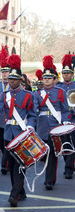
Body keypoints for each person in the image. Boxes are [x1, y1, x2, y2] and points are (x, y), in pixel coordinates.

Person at [0, 54, 37, 207]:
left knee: (20, 164)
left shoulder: (28, 95)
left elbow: (32, 115)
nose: (11, 82)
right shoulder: (4, 96)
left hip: (22, 134)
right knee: (11, 164)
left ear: (20, 81)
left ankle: (14, 194)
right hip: (9, 133)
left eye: (14, 80)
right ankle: (20, 191)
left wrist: (30, 125)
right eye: (9, 79)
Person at [33, 55, 70, 190]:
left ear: (54, 79)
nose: (46, 80)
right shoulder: (37, 93)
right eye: (45, 78)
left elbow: (65, 110)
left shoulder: (60, 92)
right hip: (42, 126)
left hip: (55, 126)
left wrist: (65, 122)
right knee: (46, 154)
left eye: (49, 78)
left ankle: (49, 180)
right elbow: (35, 110)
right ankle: (49, 178)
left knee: (53, 154)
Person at [59, 54, 75, 178]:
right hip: (63, 118)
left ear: (72, 74)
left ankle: (69, 168)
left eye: (68, 73)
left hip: (74, 117)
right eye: (64, 73)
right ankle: (68, 163)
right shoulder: (59, 87)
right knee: (65, 143)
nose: (66, 75)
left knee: (73, 142)